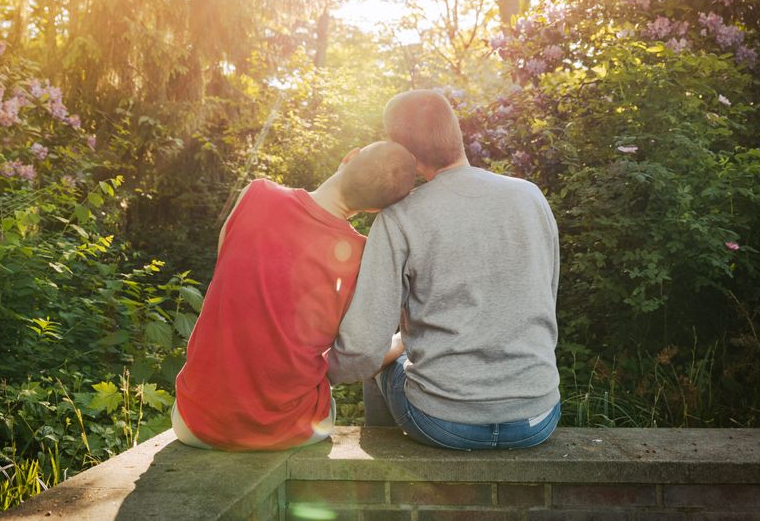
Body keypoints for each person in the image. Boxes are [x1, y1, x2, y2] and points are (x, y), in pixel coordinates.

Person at [327, 89, 561, 450]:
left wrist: (318, 374)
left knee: (381, 363)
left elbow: (362, 348)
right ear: (456, 132)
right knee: (394, 351)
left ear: (403, 151)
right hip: (536, 417)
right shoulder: (530, 196)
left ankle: (390, 475)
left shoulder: (400, 217)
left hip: (442, 423)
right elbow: (545, 298)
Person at [173, 141, 417, 451]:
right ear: (374, 209)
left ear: (349, 156)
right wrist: (400, 342)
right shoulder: (361, 257)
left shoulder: (256, 194)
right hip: (290, 428)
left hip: (195, 423)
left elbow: (225, 268)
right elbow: (360, 354)